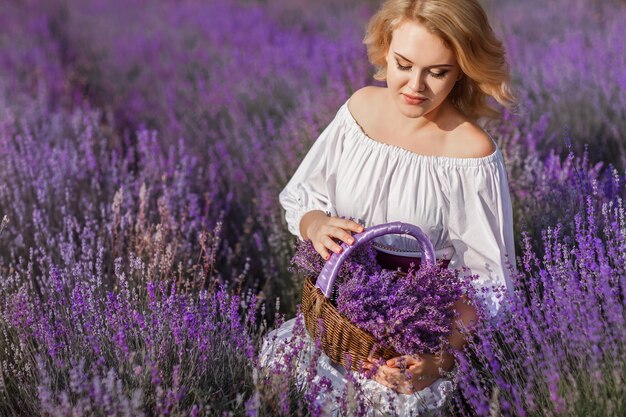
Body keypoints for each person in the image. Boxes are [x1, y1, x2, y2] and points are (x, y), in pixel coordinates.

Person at [260, 0, 518, 415]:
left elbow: (487, 282)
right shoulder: (360, 108)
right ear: (384, 49)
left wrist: (438, 360)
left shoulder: (471, 152)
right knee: (281, 378)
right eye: (403, 63)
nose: (416, 85)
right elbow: (304, 194)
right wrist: (317, 224)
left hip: (412, 339)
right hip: (334, 318)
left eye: (438, 72)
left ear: (463, 70)